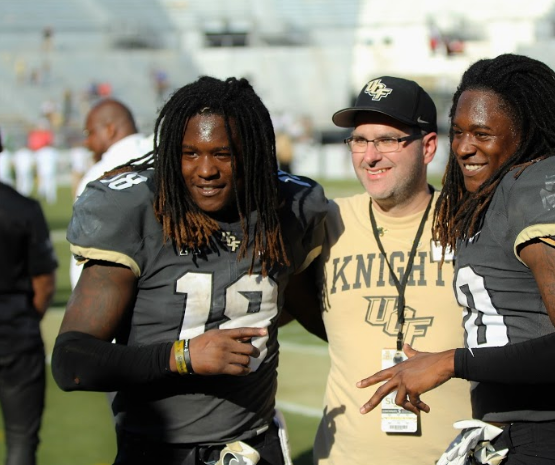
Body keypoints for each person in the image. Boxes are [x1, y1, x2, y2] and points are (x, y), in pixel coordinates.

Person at [356, 54, 555, 465]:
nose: (465, 147)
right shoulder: (494, 196)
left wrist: (452, 362)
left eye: (482, 133)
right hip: (518, 435)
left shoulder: (542, 186)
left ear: (525, 132)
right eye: (459, 132)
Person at [51, 76, 328, 465]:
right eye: (189, 153)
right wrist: (183, 356)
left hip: (250, 446)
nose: (206, 170)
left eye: (223, 153)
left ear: (252, 153)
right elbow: (71, 362)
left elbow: (308, 308)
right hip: (156, 449)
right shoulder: (136, 212)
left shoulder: (285, 209)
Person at [287, 76, 471, 464]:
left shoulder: (472, 223)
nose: (370, 156)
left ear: (429, 147)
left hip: (457, 456)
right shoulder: (328, 221)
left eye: (387, 140)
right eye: (359, 140)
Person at [0, 129, 58, 465]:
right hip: (15, 329)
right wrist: (23, 318)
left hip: (17, 326)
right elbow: (44, 283)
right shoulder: (22, 207)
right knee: (21, 440)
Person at [69, 98, 151, 289]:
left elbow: (88, 248)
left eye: (89, 133)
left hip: (113, 290)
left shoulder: (99, 174)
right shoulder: (163, 156)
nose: (87, 141)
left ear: (110, 129)